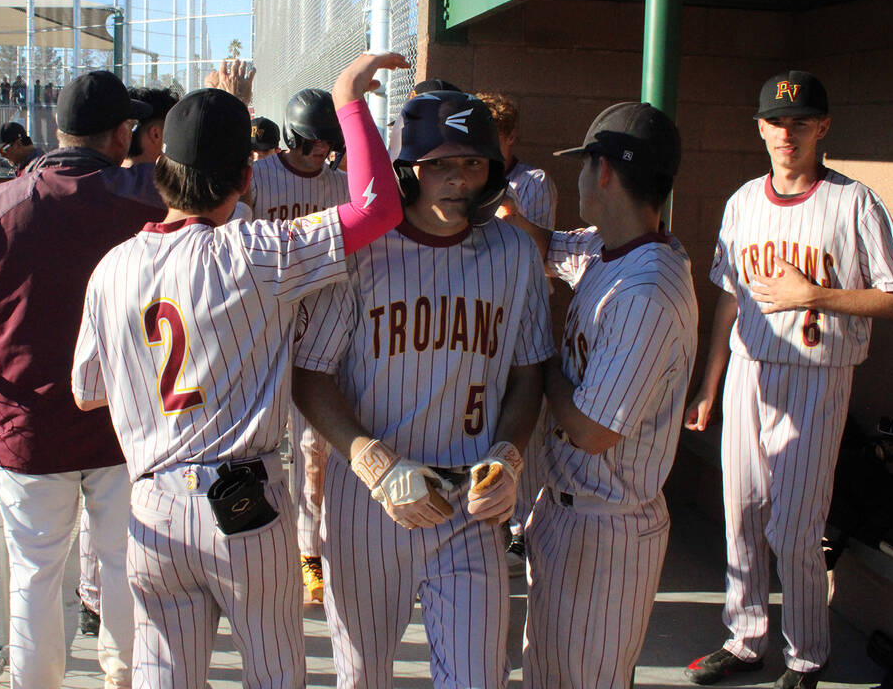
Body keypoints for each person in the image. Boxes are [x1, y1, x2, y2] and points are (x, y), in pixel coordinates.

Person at [70, 51, 407, 689]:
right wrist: (349, 96)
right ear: (247, 179)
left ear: (160, 168)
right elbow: (377, 209)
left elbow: (86, 393)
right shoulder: (257, 252)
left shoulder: (111, 268)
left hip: (151, 509)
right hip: (244, 506)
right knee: (275, 675)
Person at [290, 88, 553, 687]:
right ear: (409, 169)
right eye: (439, 164)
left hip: (471, 504)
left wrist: (510, 455)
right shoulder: (363, 251)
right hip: (372, 504)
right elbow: (310, 375)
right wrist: (372, 460)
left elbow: (528, 372)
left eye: (472, 162)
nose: (457, 179)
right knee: (363, 677)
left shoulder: (513, 252)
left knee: (477, 677)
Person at [683, 71, 893, 689]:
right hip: (749, 372)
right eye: (775, 121)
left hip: (819, 377)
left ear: (823, 127)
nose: (786, 133)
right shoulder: (741, 202)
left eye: (800, 121)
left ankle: (807, 655)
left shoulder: (854, 202)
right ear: (760, 128)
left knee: (793, 528)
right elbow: (729, 301)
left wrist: (817, 294)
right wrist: (710, 382)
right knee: (739, 513)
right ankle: (744, 639)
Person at [0, 70, 167, 689]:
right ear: (123, 132)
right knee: (125, 565)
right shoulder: (149, 195)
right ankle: (125, 676)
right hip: (125, 421)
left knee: (36, 573)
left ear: (57, 129)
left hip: (29, 423)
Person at [515, 101, 697, 689]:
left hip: (609, 531)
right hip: (567, 517)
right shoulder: (609, 247)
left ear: (606, 172)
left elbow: (593, 431)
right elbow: (548, 245)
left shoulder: (648, 288)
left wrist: (540, 364)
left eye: (584, 164)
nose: (577, 177)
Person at [246, 87, 349, 605]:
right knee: (260, 448)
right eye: (314, 144)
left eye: (329, 145)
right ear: (293, 136)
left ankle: (310, 553)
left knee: (313, 451)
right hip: (263, 331)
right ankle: (260, 546)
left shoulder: (340, 185)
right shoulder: (260, 180)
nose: (322, 154)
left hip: (317, 333)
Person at [476, 90, 559, 562]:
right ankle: (495, 515)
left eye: (496, 137)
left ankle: (522, 527)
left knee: (525, 413)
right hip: (486, 309)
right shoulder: (469, 176)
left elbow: (545, 258)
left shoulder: (533, 180)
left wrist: (515, 220)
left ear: (510, 137)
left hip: (524, 307)